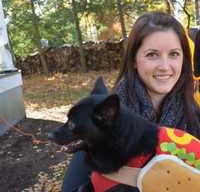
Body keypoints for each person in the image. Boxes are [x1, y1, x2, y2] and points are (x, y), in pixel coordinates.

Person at [62, 11, 200, 192]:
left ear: (184, 60)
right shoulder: (103, 121)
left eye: (174, 54)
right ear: (134, 60)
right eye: (152, 55)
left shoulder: (194, 116)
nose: (165, 66)